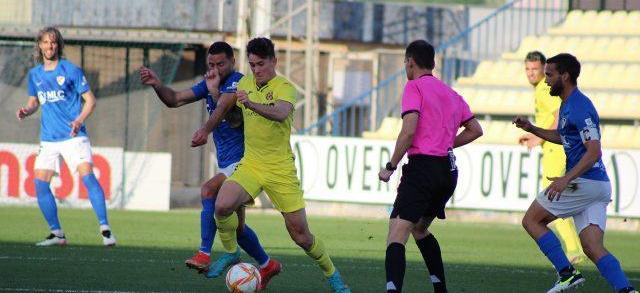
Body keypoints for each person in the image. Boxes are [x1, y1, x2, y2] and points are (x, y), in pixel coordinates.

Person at [212, 37, 350, 293]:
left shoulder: (285, 87)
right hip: (252, 164)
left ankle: (333, 275)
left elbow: (281, 113)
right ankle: (232, 252)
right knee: (222, 204)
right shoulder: (244, 83)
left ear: (273, 61)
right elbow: (234, 120)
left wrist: (251, 103)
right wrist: (226, 105)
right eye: (252, 65)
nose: (256, 70)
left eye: (261, 64)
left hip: (280, 169)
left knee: (301, 236)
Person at [139, 41, 281, 289]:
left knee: (208, 190)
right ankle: (267, 264)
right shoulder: (211, 82)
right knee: (237, 229)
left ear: (233, 62)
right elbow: (174, 99)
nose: (216, 68)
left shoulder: (238, 81)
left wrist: (207, 122)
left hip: (246, 161)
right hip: (228, 162)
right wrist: (157, 84)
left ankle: (204, 253)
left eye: (221, 64)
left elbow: (230, 114)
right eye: (211, 64)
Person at [514, 53, 637, 293]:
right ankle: (625, 290)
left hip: (584, 182)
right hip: (597, 185)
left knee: (531, 220)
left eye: (550, 75)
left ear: (565, 76)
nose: (546, 80)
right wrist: (533, 129)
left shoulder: (580, 107)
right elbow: (565, 137)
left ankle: (567, 273)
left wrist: (565, 179)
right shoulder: (568, 103)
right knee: (592, 246)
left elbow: (594, 151)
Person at [378, 40, 483, 293]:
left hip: (423, 169)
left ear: (410, 62)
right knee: (419, 228)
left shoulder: (414, 87)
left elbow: (409, 131)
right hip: (447, 171)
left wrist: (391, 165)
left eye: (405, 63)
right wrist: (445, 143)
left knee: (397, 233)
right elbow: (476, 130)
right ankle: (440, 288)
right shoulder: (451, 93)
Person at [16, 26, 116, 247]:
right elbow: (34, 102)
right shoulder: (35, 75)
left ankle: (105, 229)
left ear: (58, 45)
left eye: (53, 42)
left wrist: (79, 120)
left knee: (87, 177)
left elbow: (90, 100)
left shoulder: (70, 70)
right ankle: (57, 234)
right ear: (39, 45)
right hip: (49, 138)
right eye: (45, 42)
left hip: (73, 135)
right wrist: (27, 110)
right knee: (40, 184)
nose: (49, 46)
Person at [518, 51, 585, 264]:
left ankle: (574, 251)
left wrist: (539, 139)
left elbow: (558, 114)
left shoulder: (544, 89)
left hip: (556, 152)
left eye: (535, 69)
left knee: (554, 202)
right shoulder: (539, 89)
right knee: (559, 201)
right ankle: (577, 249)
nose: (531, 73)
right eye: (527, 69)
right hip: (554, 150)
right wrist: (535, 133)